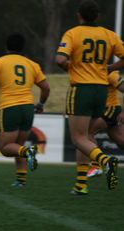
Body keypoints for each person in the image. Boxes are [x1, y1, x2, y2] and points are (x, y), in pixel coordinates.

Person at [55, 0, 124, 194]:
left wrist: (72, 66)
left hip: (82, 89)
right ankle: (81, 185)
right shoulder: (109, 34)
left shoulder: (73, 33)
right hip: (101, 91)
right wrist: (110, 67)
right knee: (87, 136)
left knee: (79, 138)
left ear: (79, 15)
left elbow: (60, 59)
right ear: (98, 16)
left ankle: (105, 161)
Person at [0, 33, 50, 187]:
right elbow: (46, 88)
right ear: (22, 47)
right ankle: (21, 180)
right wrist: (40, 104)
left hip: (9, 107)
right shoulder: (32, 64)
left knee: (5, 148)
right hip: (27, 108)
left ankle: (29, 152)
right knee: (18, 145)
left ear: (6, 46)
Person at [87, 71, 124, 177]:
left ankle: (96, 166)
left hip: (110, 109)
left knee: (87, 133)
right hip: (101, 110)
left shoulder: (110, 73)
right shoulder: (90, 71)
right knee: (120, 141)